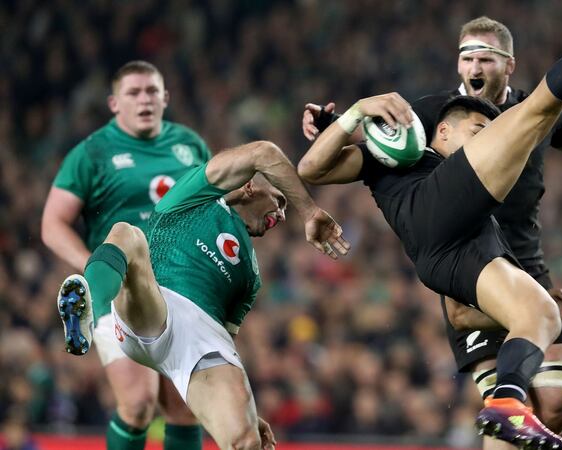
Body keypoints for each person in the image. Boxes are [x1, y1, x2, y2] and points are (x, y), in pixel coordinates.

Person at [298, 1, 562, 448]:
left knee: (546, 351)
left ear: (509, 65)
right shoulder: (431, 114)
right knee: (540, 107)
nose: (475, 67)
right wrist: (347, 119)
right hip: (446, 231)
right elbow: (320, 163)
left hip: (478, 255)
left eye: (486, 58)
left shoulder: (487, 135)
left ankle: (506, 403)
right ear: (441, 134)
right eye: (467, 57)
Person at [56, 140, 350, 450]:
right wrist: (309, 210)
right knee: (126, 233)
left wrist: (245, 411)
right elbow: (263, 153)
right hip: (155, 307)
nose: (281, 215)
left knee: (246, 441)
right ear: (250, 186)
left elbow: (226, 346)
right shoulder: (194, 198)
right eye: (279, 201)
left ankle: (242, 430)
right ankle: (88, 306)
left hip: (199, 344)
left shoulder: (252, 276)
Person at [42, 61, 209, 450]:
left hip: (182, 290)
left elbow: (214, 204)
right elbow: (52, 224)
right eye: (133, 93)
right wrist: (95, 267)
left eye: (152, 91)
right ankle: (89, 296)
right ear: (114, 103)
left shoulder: (190, 145)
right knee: (138, 405)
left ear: (165, 98)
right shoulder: (92, 152)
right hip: (121, 290)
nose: (144, 99)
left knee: (185, 409)